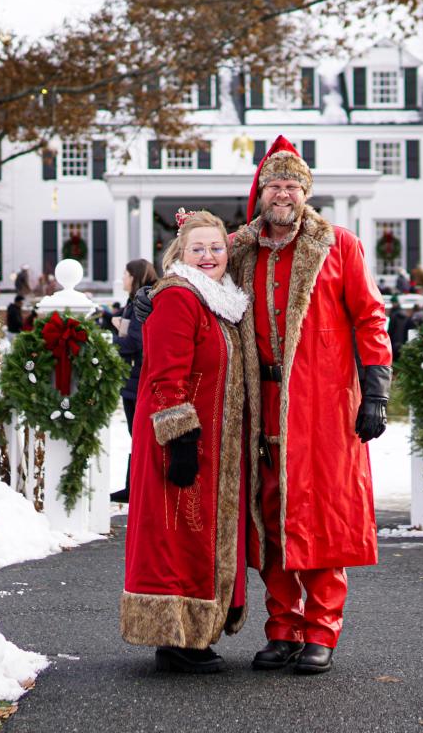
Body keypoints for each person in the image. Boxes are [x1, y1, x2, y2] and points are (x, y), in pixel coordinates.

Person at [229, 136, 392, 675]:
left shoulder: (338, 244)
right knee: (269, 517)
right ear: (261, 191)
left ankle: (321, 629)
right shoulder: (241, 249)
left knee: (322, 519)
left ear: (306, 192)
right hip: (261, 403)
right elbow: (194, 275)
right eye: (275, 183)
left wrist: (375, 391)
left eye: (294, 184)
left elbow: (370, 317)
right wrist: (154, 294)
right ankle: (282, 628)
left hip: (322, 407)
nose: (285, 192)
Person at [121, 209, 250, 673]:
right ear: (180, 253)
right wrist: (178, 440)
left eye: (216, 247)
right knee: (177, 536)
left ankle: (193, 632)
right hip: (182, 440)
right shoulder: (179, 297)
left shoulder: (220, 299)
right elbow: (164, 376)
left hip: (212, 445)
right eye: (198, 248)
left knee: (197, 536)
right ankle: (173, 638)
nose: (209, 255)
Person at [110, 258, 158, 503]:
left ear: (135, 277)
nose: (123, 279)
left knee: (139, 433)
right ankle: (132, 487)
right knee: (135, 434)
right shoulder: (133, 303)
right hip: (132, 379)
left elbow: (136, 342)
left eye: (126, 275)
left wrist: (116, 338)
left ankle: (136, 488)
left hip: (138, 378)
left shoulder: (142, 303)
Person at [387, 295, 411, 360]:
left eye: (393, 303)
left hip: (394, 341)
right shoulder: (404, 313)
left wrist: (388, 338)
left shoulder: (394, 314)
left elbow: (391, 329)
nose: (392, 304)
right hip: (402, 341)